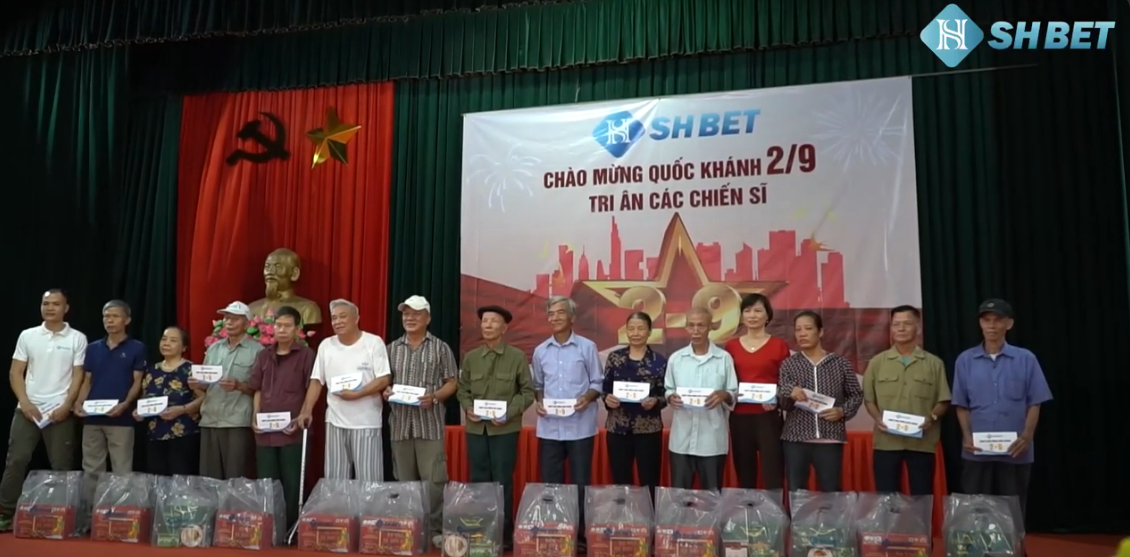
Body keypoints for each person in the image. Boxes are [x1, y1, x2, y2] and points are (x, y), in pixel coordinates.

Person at [952, 299, 1052, 520]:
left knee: (1013, 508)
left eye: (997, 320)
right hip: (976, 450)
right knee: (975, 506)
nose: (992, 326)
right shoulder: (965, 360)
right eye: (986, 320)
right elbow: (961, 404)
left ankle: (1013, 542)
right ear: (980, 324)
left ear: (1009, 324)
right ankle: (977, 543)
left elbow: (1034, 402)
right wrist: (966, 436)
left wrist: (1027, 437)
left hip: (1015, 450)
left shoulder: (1026, 359)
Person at [0, 289, 87, 532]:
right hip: (27, 410)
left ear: (66, 308)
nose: (50, 308)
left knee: (61, 465)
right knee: (16, 460)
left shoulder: (77, 338)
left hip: (59, 412)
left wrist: (67, 405)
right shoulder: (28, 335)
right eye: (46, 303)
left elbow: (78, 375)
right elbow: (16, 372)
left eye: (56, 304)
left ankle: (62, 515)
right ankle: (5, 512)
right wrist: (25, 402)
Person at [383, 296, 458, 549]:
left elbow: (452, 382)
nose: (410, 318)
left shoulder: (440, 348)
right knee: (404, 482)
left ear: (428, 318)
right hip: (400, 426)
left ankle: (435, 529)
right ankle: (409, 528)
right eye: (406, 314)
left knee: (434, 482)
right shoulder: (391, 348)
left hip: (429, 425)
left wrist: (435, 397)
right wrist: (386, 391)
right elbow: (384, 382)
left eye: (416, 314)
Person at [457, 305, 534, 548]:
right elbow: (462, 389)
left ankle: (503, 533)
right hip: (476, 429)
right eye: (484, 321)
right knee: (478, 480)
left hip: (504, 429)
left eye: (493, 321)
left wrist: (509, 413)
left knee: (502, 481)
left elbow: (527, 392)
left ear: (504, 328)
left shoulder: (516, 357)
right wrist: (468, 407)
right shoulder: (471, 357)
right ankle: (480, 530)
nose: (488, 325)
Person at [532, 296, 602, 549]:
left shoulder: (587, 347)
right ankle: (555, 531)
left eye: (560, 313)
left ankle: (580, 536)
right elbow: (538, 385)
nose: (555, 317)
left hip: (580, 427)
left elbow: (597, 382)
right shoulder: (540, 351)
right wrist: (539, 401)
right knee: (551, 484)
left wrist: (587, 398)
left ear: (572, 317)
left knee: (580, 483)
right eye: (551, 313)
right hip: (549, 428)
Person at [296, 299, 391, 481]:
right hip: (334, 421)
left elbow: (384, 378)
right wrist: (306, 410)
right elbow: (317, 381)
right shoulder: (326, 345)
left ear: (356, 318)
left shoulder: (373, 342)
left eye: (342, 316)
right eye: (334, 318)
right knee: (335, 480)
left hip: (366, 422)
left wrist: (358, 394)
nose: (337, 321)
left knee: (369, 481)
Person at [863, 305, 950, 495]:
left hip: (922, 443)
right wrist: (877, 418)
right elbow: (869, 400)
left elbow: (943, 400)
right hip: (887, 442)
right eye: (896, 324)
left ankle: (919, 518)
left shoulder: (934, 363)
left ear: (918, 326)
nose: (901, 329)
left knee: (921, 497)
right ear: (891, 328)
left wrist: (932, 418)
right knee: (887, 498)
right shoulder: (877, 362)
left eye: (907, 324)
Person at [778, 311, 863, 492]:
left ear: (821, 332)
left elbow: (856, 394)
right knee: (796, 490)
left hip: (830, 438)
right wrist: (789, 392)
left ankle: (830, 513)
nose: (802, 334)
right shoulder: (789, 364)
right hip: (795, 439)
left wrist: (842, 411)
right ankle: (798, 513)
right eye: (798, 329)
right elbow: (782, 403)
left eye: (808, 328)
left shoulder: (840, 363)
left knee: (831, 489)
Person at [248, 305, 314, 529]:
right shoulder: (263, 355)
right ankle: (269, 528)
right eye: (278, 325)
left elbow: (311, 389)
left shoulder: (306, 355)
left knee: (292, 483)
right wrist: (255, 416)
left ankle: (290, 529)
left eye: (287, 326)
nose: (282, 330)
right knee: (267, 482)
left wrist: (303, 415)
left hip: (292, 430)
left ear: (296, 329)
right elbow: (257, 389)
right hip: (265, 432)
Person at [74, 300, 147, 493]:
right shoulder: (93, 348)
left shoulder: (136, 347)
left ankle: (119, 510)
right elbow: (87, 380)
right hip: (92, 417)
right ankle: (92, 509)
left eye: (115, 316)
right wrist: (79, 402)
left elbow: (137, 381)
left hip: (121, 418)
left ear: (127, 320)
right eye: (106, 316)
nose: (110, 320)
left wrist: (126, 404)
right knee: (91, 468)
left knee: (121, 469)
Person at [664, 306, 738, 491]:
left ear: (711, 327)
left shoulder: (723, 358)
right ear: (686, 327)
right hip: (682, 439)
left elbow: (733, 392)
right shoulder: (676, 359)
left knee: (712, 495)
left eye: (701, 325)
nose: (695, 330)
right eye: (691, 325)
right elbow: (668, 388)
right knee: (679, 495)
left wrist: (724, 395)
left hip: (711, 440)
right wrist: (670, 397)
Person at [723, 293, 789, 489]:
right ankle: (747, 508)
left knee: (773, 470)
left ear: (767, 316)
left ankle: (775, 508)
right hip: (740, 416)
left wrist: (776, 399)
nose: (752, 315)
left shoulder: (779, 345)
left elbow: (786, 382)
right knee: (744, 471)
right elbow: (726, 381)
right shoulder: (731, 346)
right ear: (742, 316)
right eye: (748, 310)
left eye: (758, 311)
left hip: (768, 416)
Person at [192, 301, 263, 479]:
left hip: (237, 421)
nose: (229, 322)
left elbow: (261, 389)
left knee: (236, 477)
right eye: (226, 318)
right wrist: (197, 384)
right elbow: (206, 384)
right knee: (210, 478)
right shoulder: (214, 348)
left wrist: (239, 386)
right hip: (210, 419)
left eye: (235, 319)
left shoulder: (258, 351)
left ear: (247, 324)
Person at [602, 312, 666, 496]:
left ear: (649, 331)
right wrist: (607, 398)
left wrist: (656, 401)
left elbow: (665, 394)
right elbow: (605, 389)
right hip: (618, 428)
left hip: (648, 429)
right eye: (631, 329)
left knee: (649, 479)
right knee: (621, 481)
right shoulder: (614, 358)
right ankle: (624, 513)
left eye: (640, 329)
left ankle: (649, 513)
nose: (635, 333)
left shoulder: (659, 361)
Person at [135, 326, 202, 475]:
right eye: (164, 339)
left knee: (180, 478)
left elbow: (204, 398)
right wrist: (139, 411)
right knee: (157, 478)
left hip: (183, 433)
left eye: (173, 340)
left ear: (184, 347)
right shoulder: (152, 370)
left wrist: (183, 409)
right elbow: (145, 397)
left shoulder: (191, 369)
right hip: (155, 433)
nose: (166, 343)